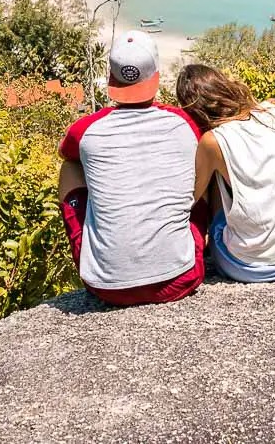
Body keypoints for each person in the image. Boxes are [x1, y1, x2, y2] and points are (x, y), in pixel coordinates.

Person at [57, 30, 208, 306]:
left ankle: (95, 249)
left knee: (70, 168)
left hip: (107, 288)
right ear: (156, 76)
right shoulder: (184, 123)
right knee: (201, 164)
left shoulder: (86, 130)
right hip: (182, 277)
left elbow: (65, 152)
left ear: (111, 79)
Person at [176, 64, 275, 283]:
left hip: (251, 266)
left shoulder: (213, 141)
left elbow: (190, 198)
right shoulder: (274, 109)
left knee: (215, 176)